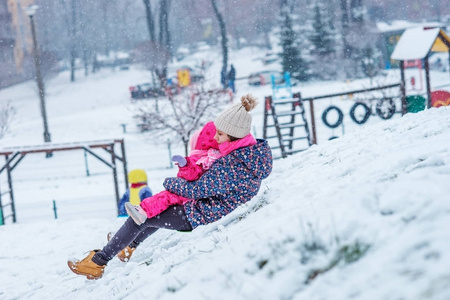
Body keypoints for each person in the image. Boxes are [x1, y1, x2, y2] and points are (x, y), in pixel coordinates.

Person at [67, 94, 273, 280]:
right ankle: (127, 247)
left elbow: (196, 190)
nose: (216, 139)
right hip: (206, 207)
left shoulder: (233, 165)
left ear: (234, 135)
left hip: (200, 213)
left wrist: (170, 182)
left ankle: (97, 263)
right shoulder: (246, 155)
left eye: (220, 134)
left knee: (141, 218)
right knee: (150, 217)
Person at [125, 121, 224, 224]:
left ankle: (143, 211)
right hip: (198, 191)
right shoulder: (216, 155)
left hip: (192, 192)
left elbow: (191, 175)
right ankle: (143, 212)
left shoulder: (201, 156)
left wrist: (185, 165)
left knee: (166, 197)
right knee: (165, 198)